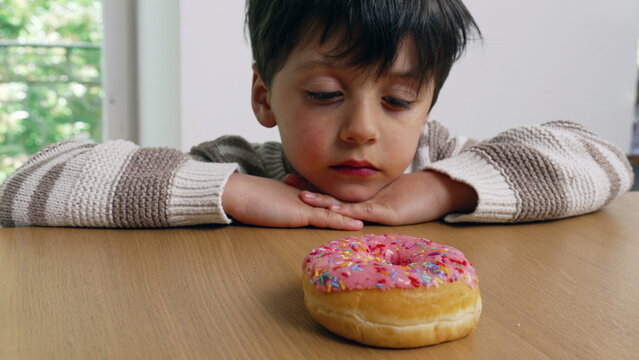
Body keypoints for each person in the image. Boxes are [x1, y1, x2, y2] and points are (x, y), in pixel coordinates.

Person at [0, 0, 634, 229]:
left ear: (429, 105)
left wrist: (441, 188)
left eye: (397, 100)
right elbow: (25, 184)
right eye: (327, 94)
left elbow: (605, 160)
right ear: (264, 97)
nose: (362, 128)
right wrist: (236, 193)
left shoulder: (443, 158)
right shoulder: (237, 169)